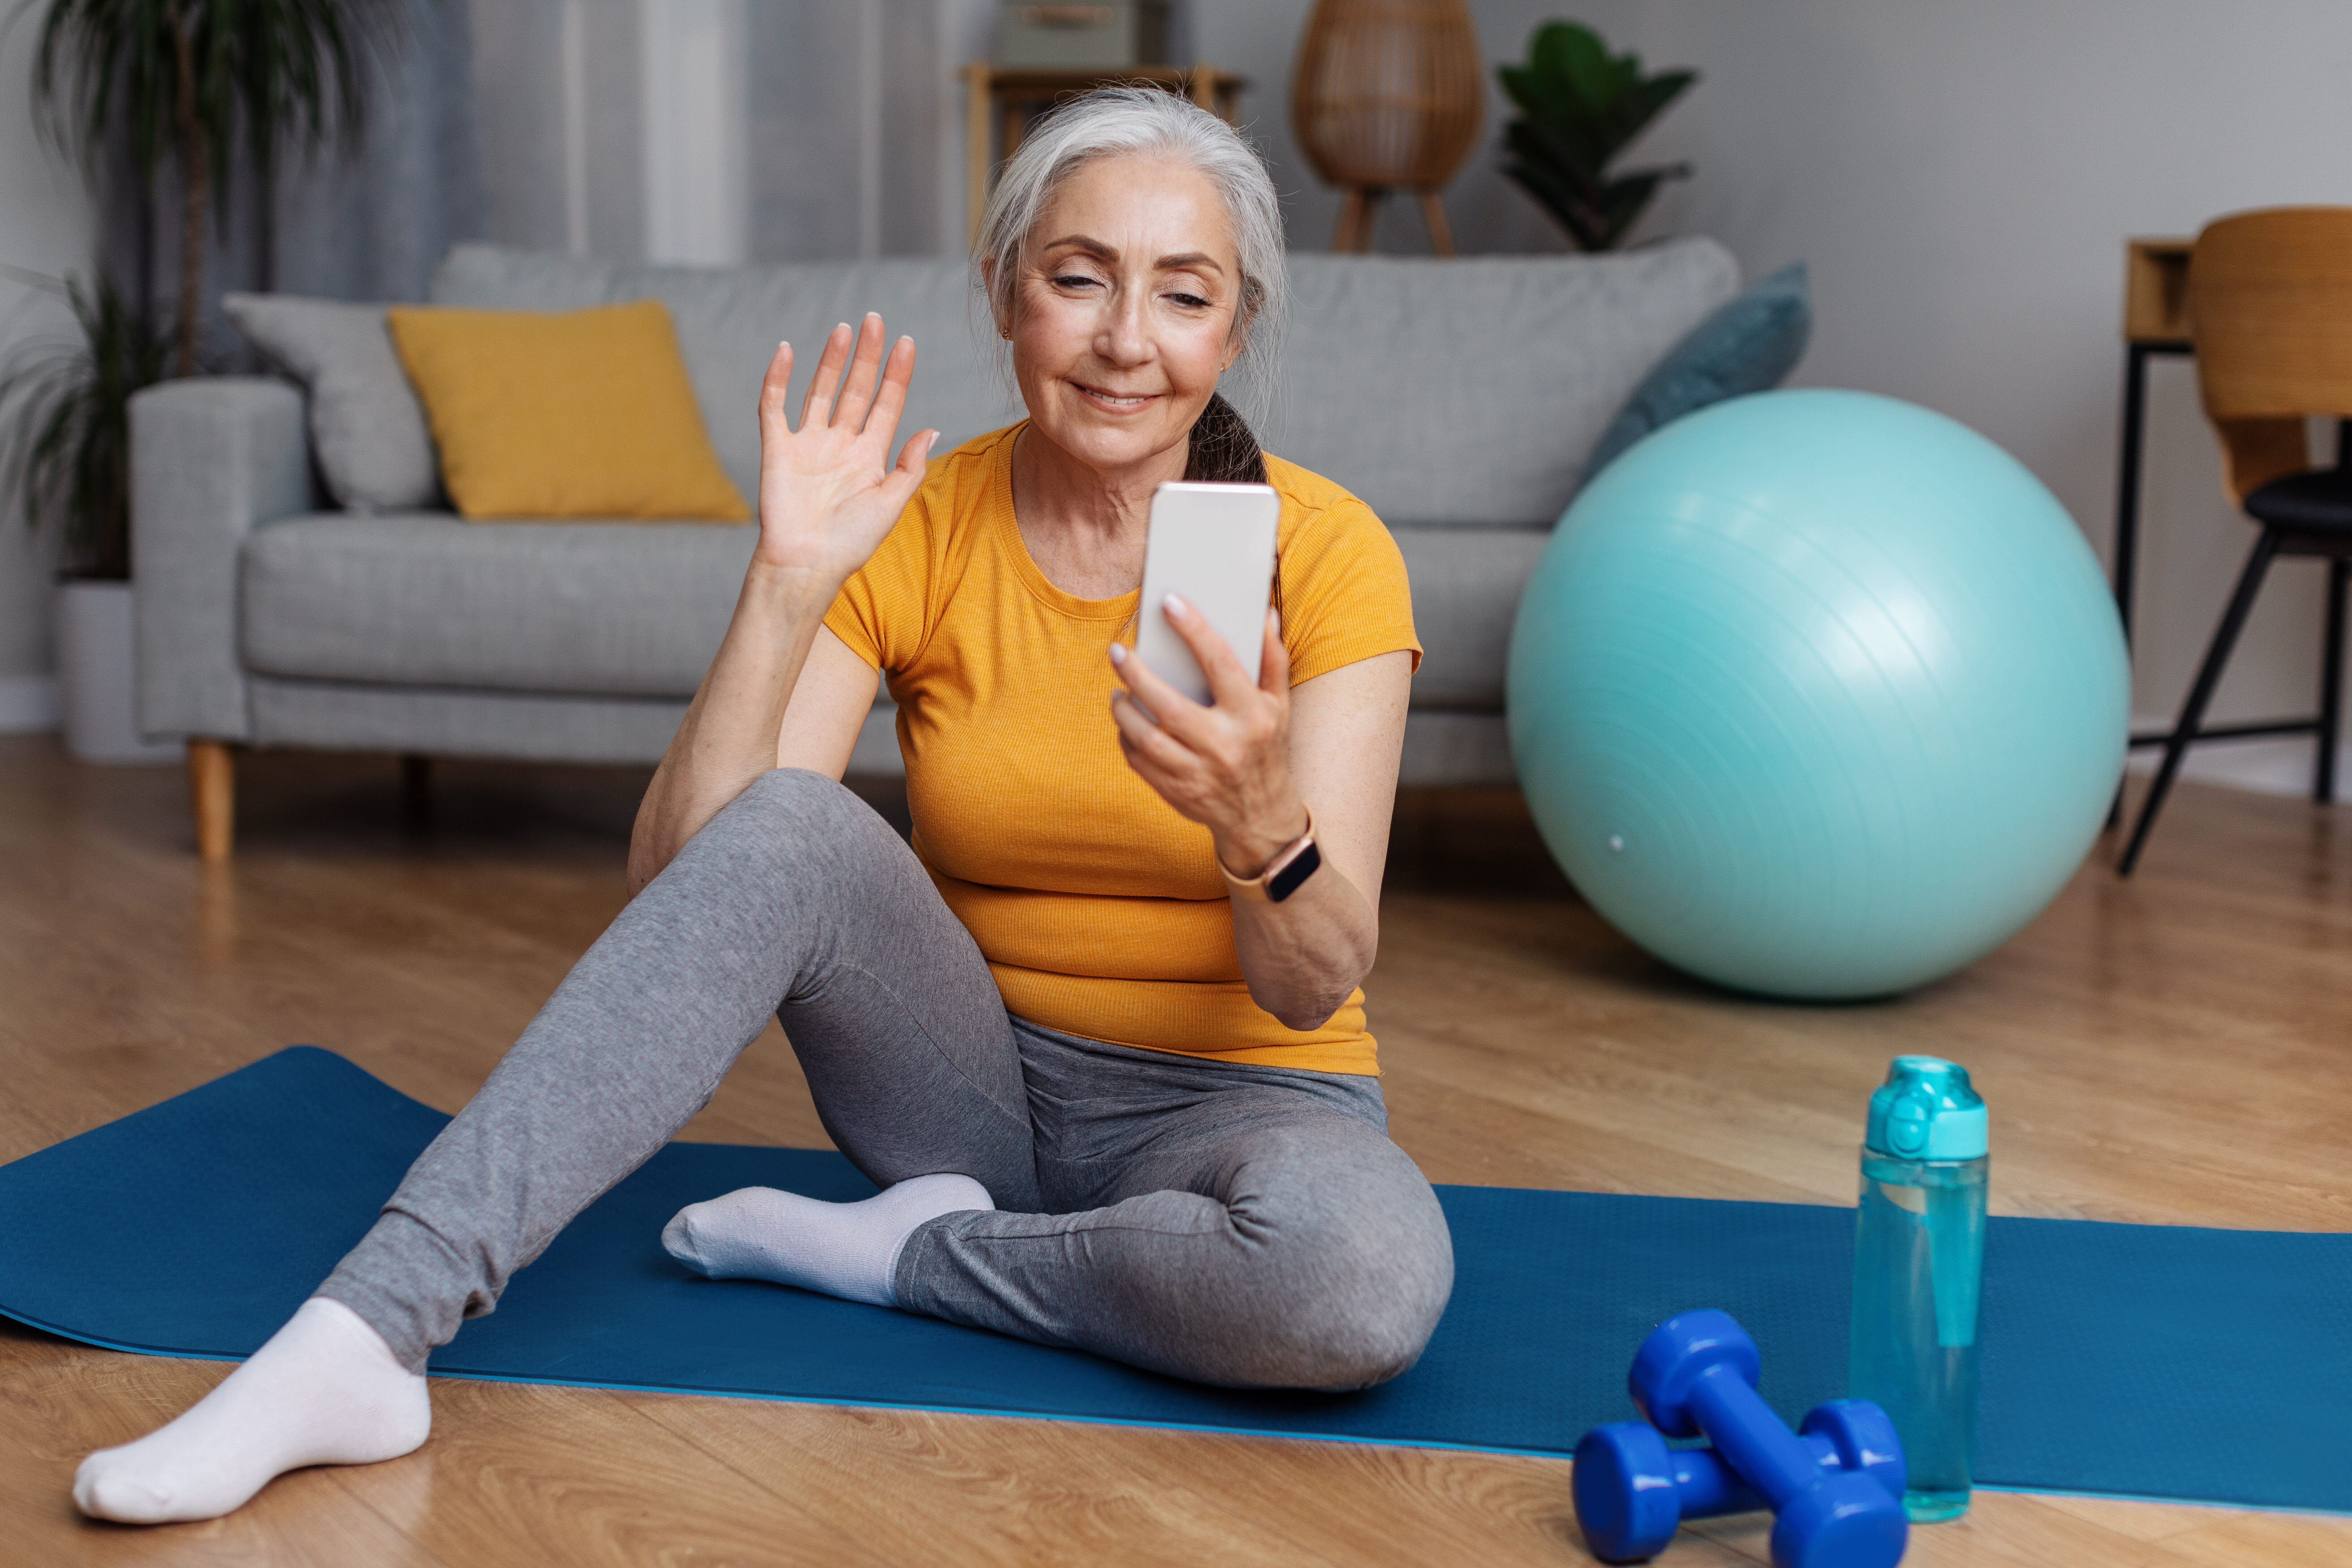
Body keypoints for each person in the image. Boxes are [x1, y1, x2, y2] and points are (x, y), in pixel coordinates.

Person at [73, 86, 1452, 1525]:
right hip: (966, 1087)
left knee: (1354, 1283)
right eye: (1078, 276)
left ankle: (903, 1259)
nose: (1125, 339)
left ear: (1233, 330)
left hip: (1248, 1104)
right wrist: (785, 587)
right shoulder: (919, 519)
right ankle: (363, 1333)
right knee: (794, 822)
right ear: (1003, 292)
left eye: (1184, 294)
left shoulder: (1328, 551)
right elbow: (693, 876)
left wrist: (1258, 825)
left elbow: (1312, 987)